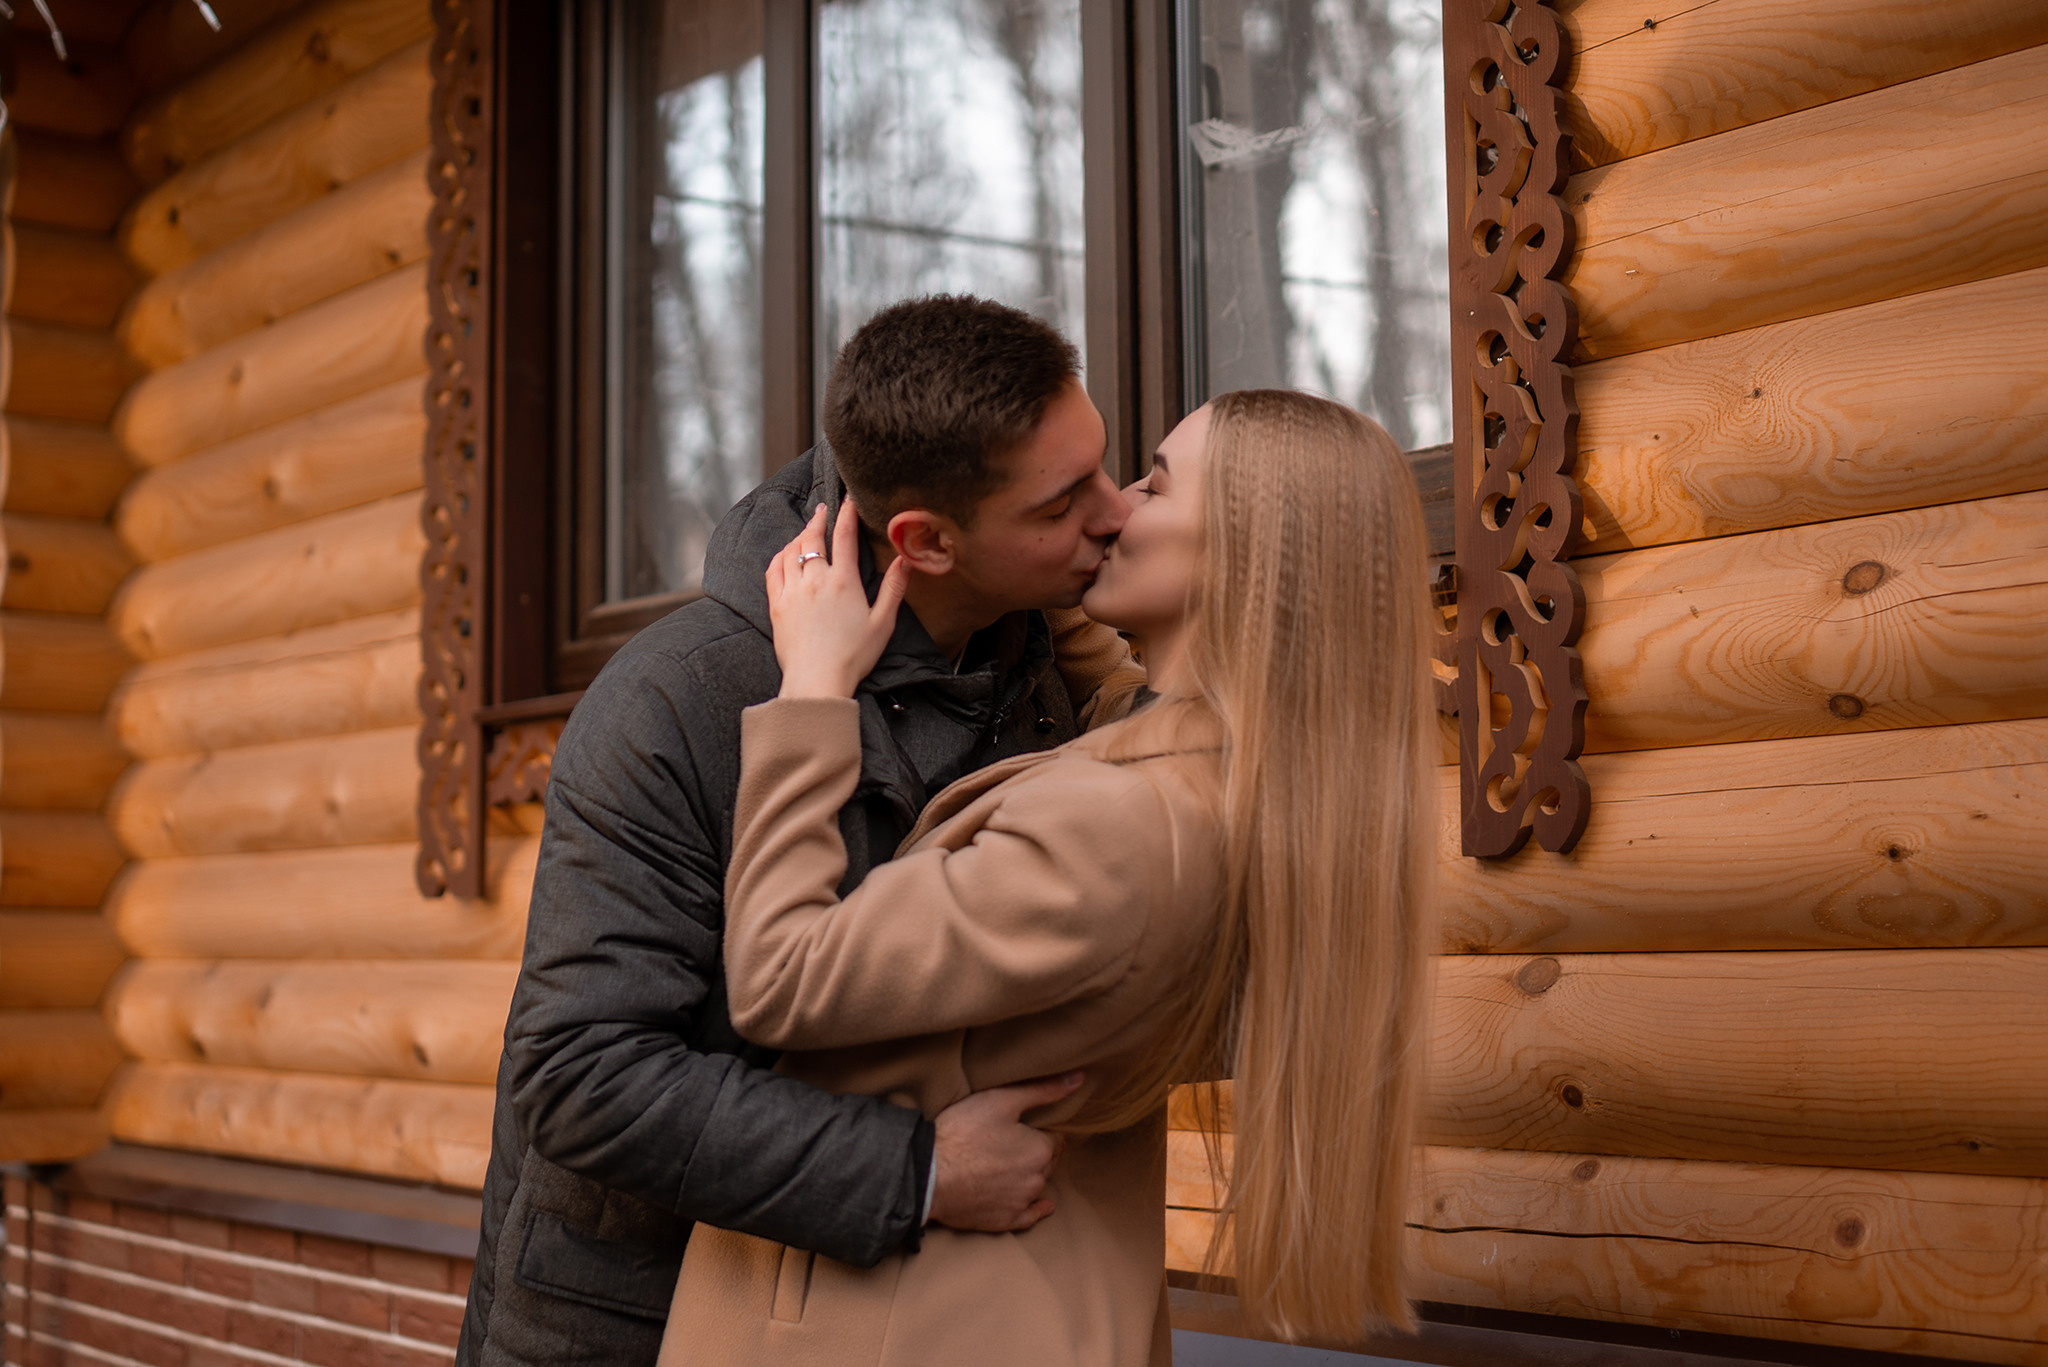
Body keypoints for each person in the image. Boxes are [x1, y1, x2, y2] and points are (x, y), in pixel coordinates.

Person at [658, 390, 1436, 1366]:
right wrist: (1013, 558)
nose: (1110, 511)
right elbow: (1129, 705)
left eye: (1151, 483)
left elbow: (781, 971)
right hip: (1041, 1300)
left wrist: (812, 688)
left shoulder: (1119, 829)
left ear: (1243, 553)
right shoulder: (1265, 800)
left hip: (900, 1320)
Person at [458, 296, 1147, 1367]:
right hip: (627, 1320)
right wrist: (916, 1169)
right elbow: (579, 1071)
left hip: (906, 1316)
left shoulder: (1048, 661)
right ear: (925, 539)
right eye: (1065, 503)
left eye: (1105, 466)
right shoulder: (673, 703)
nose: (1116, 514)